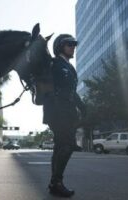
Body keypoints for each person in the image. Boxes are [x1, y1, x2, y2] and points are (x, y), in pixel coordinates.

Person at [43, 34, 86, 197]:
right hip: (57, 110)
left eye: (74, 44)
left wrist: (82, 107)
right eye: (69, 44)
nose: (73, 46)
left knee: (60, 146)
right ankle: (56, 182)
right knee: (68, 144)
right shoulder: (54, 64)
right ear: (60, 46)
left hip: (68, 111)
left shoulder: (70, 67)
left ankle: (55, 183)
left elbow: (73, 92)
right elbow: (45, 84)